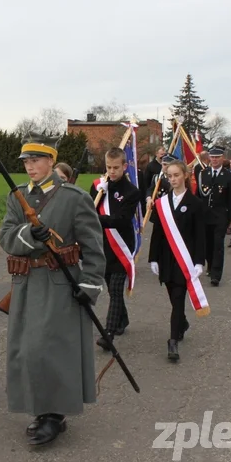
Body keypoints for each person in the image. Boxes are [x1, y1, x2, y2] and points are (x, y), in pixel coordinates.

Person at [0, 131, 106, 446]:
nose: (30, 167)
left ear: (51, 161)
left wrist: (89, 284)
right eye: (26, 162)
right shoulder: (16, 196)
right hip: (27, 283)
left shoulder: (73, 197)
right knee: (27, 350)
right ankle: (39, 408)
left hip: (61, 282)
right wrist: (31, 234)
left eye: (36, 160)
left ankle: (54, 415)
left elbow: (93, 247)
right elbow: (5, 237)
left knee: (53, 349)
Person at [148, 160, 205, 361]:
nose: (172, 179)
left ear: (185, 176)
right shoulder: (161, 203)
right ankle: (182, 323)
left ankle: (172, 342)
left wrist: (199, 261)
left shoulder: (196, 204)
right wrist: (152, 258)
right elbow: (157, 233)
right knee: (173, 297)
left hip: (184, 259)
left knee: (179, 298)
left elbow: (200, 235)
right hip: (165, 258)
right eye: (169, 176)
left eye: (176, 175)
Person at [90, 147, 141, 350]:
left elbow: (120, 220)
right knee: (112, 288)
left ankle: (108, 334)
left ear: (124, 166)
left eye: (116, 168)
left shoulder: (132, 192)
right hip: (103, 244)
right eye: (109, 167)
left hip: (121, 244)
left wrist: (96, 218)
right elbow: (88, 207)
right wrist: (98, 192)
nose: (112, 172)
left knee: (117, 290)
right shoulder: (99, 186)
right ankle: (123, 319)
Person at [196, 146, 231, 286]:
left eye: (217, 157)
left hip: (220, 216)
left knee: (218, 244)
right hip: (205, 215)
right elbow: (198, 196)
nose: (214, 160)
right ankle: (211, 265)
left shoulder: (228, 175)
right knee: (207, 244)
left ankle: (216, 274)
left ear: (222, 158)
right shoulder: (203, 174)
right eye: (212, 157)